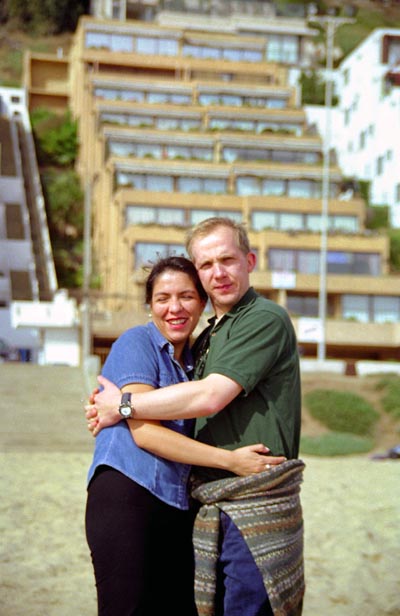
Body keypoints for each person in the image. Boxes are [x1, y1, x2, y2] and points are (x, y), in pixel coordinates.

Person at [87, 218, 305, 616]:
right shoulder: (150, 342)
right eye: (206, 265)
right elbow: (147, 432)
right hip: (153, 496)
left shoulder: (259, 320)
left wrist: (119, 406)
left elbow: (209, 397)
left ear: (249, 261)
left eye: (227, 260)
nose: (218, 273)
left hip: (239, 497)